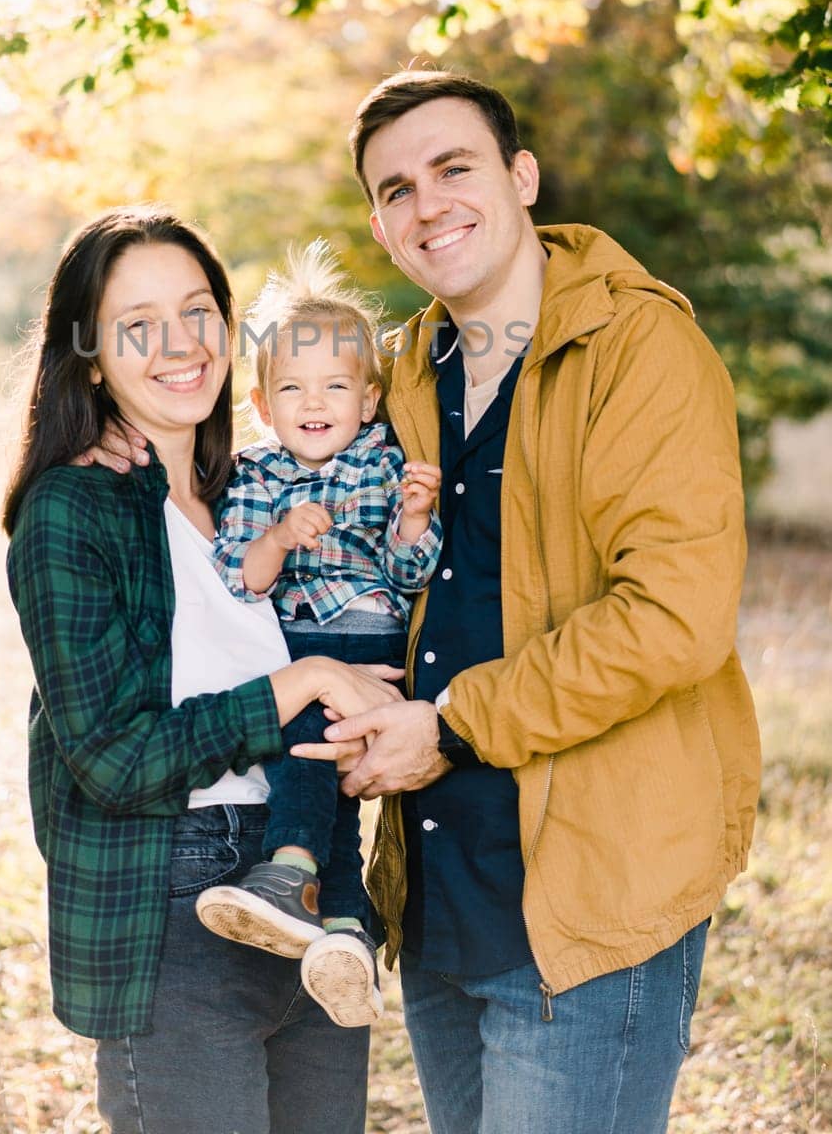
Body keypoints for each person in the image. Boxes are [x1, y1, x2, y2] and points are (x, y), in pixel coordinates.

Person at [289, 66, 762, 1134]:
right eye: (395, 188)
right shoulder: (398, 372)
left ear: (521, 175)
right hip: (439, 888)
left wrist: (448, 724)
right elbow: (301, 492)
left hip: (593, 892)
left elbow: (673, 615)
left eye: (452, 167)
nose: (427, 204)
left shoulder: (640, 349)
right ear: (378, 222)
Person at [2, 206, 406, 1134]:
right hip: (177, 902)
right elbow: (108, 758)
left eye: (198, 311)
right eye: (137, 325)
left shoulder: (256, 489)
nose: (179, 344)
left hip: (313, 885)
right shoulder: (73, 510)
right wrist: (294, 686)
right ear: (91, 358)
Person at [194, 241, 442, 1028]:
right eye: (293, 387)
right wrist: (277, 536)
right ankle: (344, 934)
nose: (315, 401)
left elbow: (411, 574)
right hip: (294, 650)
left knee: (306, 753)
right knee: (336, 795)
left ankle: (286, 869)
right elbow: (241, 575)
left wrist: (412, 518)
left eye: (335, 385)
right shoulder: (256, 476)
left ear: (368, 400)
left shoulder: (381, 464)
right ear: (263, 405)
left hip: (366, 644)